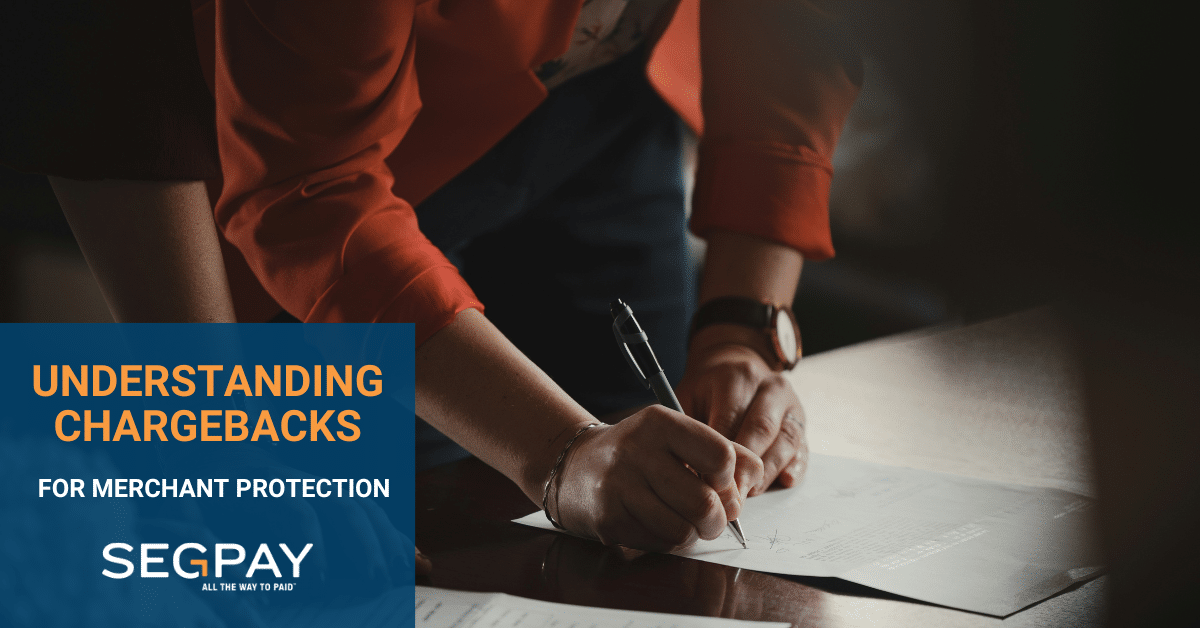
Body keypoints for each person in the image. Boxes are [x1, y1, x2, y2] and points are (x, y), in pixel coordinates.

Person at [197, 0, 860, 551]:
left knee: (651, 498)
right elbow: (313, 191)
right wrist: (557, 453)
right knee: (374, 538)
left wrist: (739, 329)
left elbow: (800, 38)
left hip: (610, 92)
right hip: (340, 149)